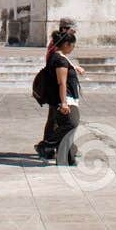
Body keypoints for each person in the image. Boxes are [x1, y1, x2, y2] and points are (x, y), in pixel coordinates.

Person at [36, 29, 82, 163]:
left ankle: (66, 157)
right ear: (67, 44)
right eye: (73, 45)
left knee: (63, 124)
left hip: (64, 98)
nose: (73, 48)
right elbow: (62, 83)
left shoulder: (58, 56)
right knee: (71, 123)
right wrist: (64, 103)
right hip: (65, 99)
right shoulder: (59, 60)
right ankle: (46, 145)